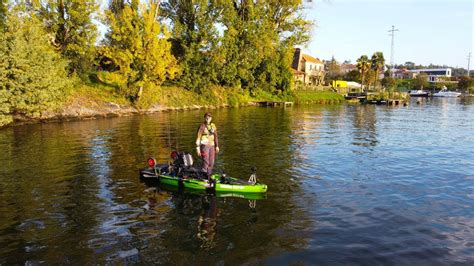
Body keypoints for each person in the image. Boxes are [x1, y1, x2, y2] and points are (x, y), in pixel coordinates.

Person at [196, 112, 219, 177]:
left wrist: (217, 146)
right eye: (206, 117)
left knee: (211, 162)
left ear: (211, 118)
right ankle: (203, 176)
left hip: (212, 146)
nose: (208, 118)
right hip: (204, 146)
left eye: (209, 117)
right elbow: (198, 137)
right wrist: (197, 148)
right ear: (205, 118)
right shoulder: (202, 126)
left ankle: (208, 175)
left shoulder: (213, 126)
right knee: (206, 162)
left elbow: (216, 136)